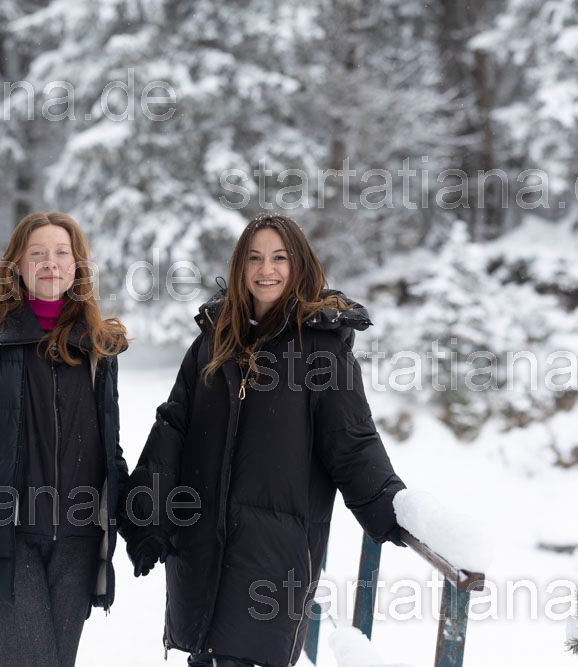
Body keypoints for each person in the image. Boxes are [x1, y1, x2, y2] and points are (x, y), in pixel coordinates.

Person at [123, 212, 407, 667]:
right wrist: (148, 516)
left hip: (272, 559)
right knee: (205, 654)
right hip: (200, 547)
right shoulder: (215, 339)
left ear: (299, 265)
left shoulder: (321, 348)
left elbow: (351, 440)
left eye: (279, 258)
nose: (266, 269)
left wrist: (390, 507)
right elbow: (173, 425)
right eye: (254, 258)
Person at [0, 211, 130, 667]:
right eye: (36, 253)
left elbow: (109, 448)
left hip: (78, 540)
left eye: (62, 252)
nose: (50, 263)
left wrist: (136, 521)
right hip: (5, 536)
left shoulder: (97, 347)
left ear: (77, 266)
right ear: (16, 265)